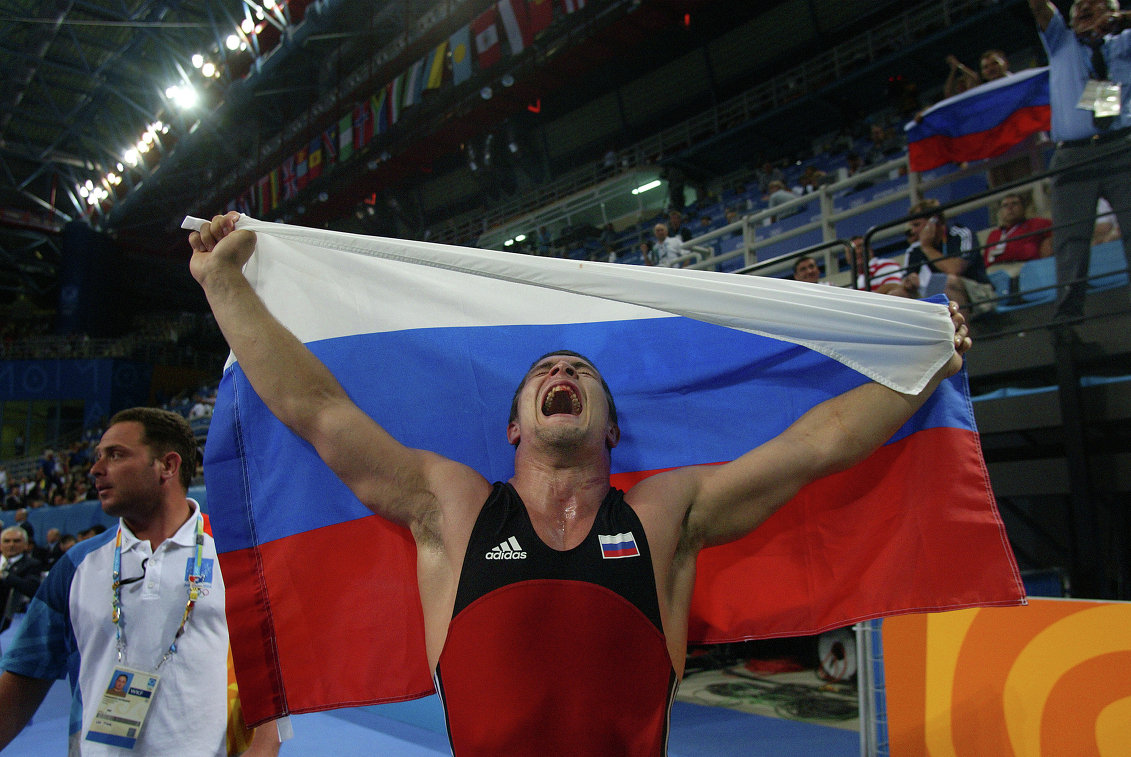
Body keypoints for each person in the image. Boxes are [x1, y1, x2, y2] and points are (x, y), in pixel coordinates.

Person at [187, 212, 971, 756]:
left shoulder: (668, 512)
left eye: (579, 371)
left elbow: (817, 444)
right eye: (544, 371)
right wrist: (225, 285)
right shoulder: (451, 506)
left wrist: (918, 364)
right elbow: (319, 411)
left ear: (610, 431)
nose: (561, 370)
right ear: (514, 429)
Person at [0, 407, 280, 756]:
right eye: (98, 456)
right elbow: (25, 674)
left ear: (168, 465)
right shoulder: (75, 565)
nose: (96, 470)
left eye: (116, 455)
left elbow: (272, 673)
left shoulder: (239, 555)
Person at [1029, 0, 1131, 319]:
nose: (1085, 6)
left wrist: (1120, 20)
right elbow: (1039, 7)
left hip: (1122, 149)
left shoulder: (1124, 42)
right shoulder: (1061, 40)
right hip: (1072, 158)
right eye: (1079, 4)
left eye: (1097, 2)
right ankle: (1068, 325)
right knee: (1070, 241)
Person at [905, 199, 996, 315]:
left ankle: (960, 332)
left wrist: (927, 248)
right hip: (938, 290)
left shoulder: (961, 234)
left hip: (979, 292)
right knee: (898, 294)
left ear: (934, 221)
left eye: (917, 225)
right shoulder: (916, 248)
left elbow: (955, 270)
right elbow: (907, 279)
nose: (913, 231)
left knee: (949, 282)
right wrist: (909, 280)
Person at [984, 194, 1054, 269]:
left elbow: (1031, 252)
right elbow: (988, 261)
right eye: (1005, 205)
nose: (1010, 208)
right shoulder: (994, 235)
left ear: (1023, 208)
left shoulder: (1037, 223)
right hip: (998, 274)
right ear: (1000, 212)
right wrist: (1023, 250)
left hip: (1029, 269)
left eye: (1014, 203)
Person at [0, 526, 42, 628]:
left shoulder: (32, 564)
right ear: (0, 545)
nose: (11, 545)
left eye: (16, 541)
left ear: (26, 545)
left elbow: (32, 589)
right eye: (7, 541)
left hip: (12, 617)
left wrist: (4, 575)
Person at [850, 236, 918, 297]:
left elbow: (894, 287)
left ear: (870, 249)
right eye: (851, 250)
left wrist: (866, 302)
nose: (857, 252)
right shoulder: (853, 282)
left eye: (860, 247)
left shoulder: (885, 264)